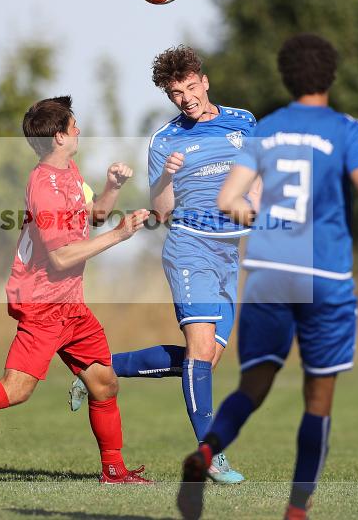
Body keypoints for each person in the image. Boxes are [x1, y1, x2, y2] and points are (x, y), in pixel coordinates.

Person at [177, 34, 358, 519]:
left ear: (286, 78)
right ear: (331, 76)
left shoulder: (265, 129)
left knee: (252, 386)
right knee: (318, 399)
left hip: (269, 275)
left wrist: (264, 220)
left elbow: (230, 201)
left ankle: (206, 453)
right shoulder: (348, 130)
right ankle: (296, 511)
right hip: (324, 277)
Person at [0, 95, 152, 484]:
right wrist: (121, 235)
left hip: (70, 305)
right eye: (73, 126)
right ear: (58, 136)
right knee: (16, 389)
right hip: (44, 303)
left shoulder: (69, 171)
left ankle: (114, 471)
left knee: (104, 383)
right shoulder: (43, 186)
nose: (78, 130)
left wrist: (113, 187)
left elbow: (96, 215)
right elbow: (62, 258)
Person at [68, 45, 259, 484]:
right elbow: (162, 211)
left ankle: (101, 367)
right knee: (198, 352)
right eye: (176, 93)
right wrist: (169, 175)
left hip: (230, 253)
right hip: (190, 248)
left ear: (204, 81)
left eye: (191, 87)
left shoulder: (244, 122)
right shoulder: (165, 140)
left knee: (205, 359)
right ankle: (209, 454)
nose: (186, 98)